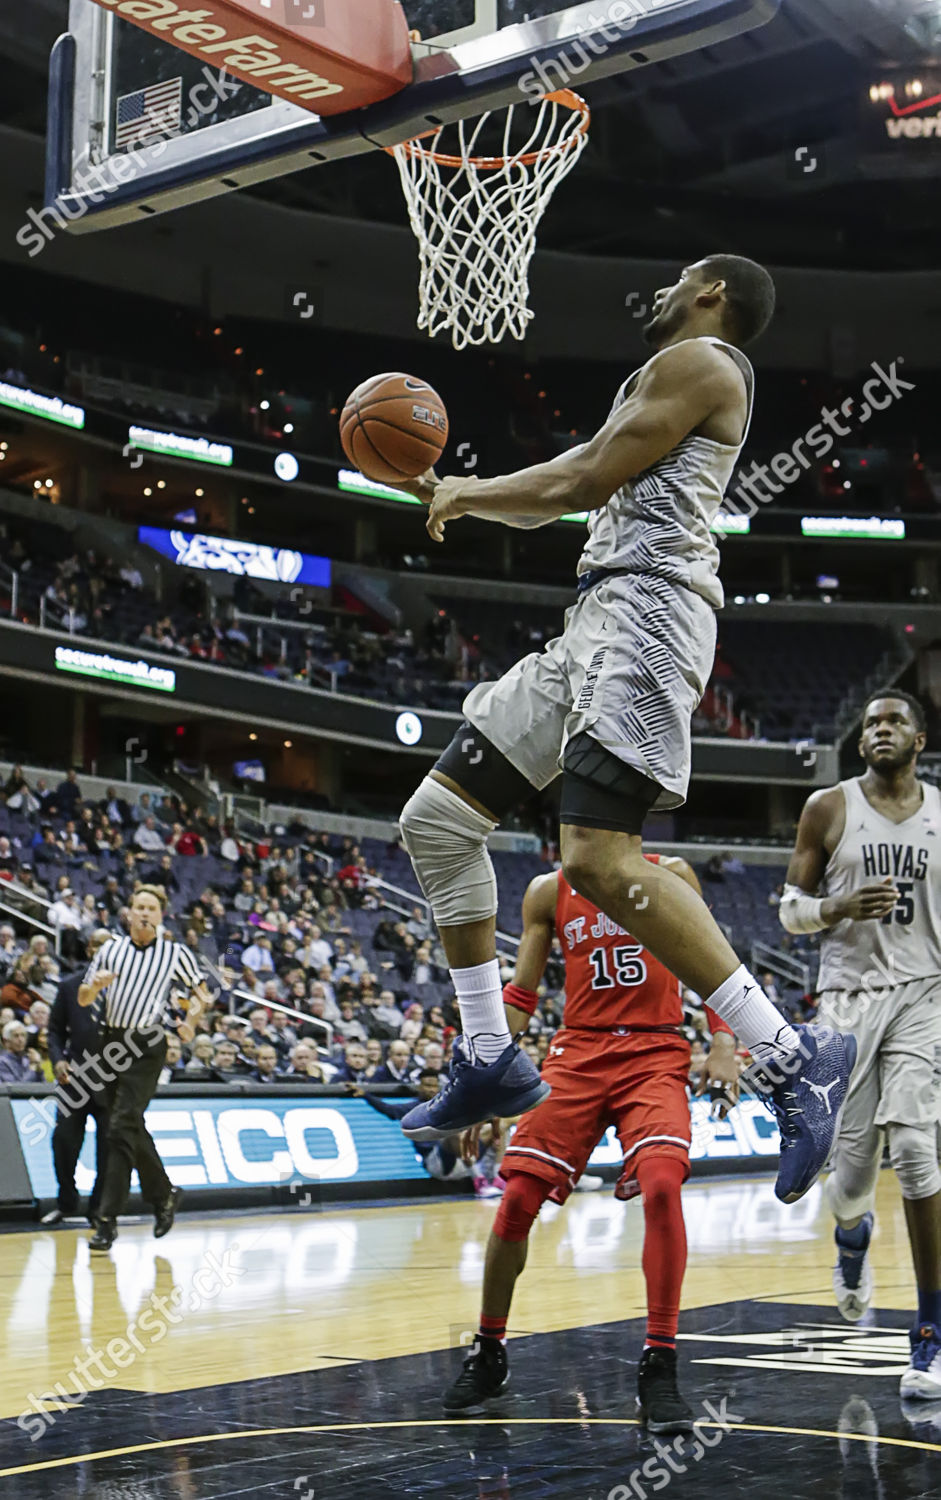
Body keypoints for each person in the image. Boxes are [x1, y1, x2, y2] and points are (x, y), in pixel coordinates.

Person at [392, 254, 854, 1205]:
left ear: (713, 292)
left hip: (649, 617)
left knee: (599, 860)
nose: (658, 290)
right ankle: (488, 1053)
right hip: (593, 620)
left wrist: (465, 491)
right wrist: (479, 497)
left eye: (677, 276)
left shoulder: (708, 362)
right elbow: (581, 487)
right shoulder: (660, 373)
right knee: (436, 822)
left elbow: (584, 474)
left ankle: (787, 1054)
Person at [441, 854, 738, 1426]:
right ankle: (490, 1349)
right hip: (578, 1052)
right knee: (518, 1198)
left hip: (654, 1048)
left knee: (660, 1183)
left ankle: (659, 1360)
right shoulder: (548, 891)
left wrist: (723, 1042)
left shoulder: (671, 872)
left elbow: (713, 966)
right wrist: (483, 1074)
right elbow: (522, 995)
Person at [781, 690, 941, 1399]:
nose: (880, 729)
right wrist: (836, 906)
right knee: (848, 1185)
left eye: (893, 721)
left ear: (918, 739)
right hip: (846, 1002)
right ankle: (852, 1242)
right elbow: (789, 911)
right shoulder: (828, 807)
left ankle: (930, 1333)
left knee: (913, 1147)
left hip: (924, 994)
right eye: (871, 722)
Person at [78, 885, 211, 1252]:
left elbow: (201, 994)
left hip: (146, 1044)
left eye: (151, 908)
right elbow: (84, 997)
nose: (144, 913)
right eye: (139, 907)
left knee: (121, 1125)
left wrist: (190, 1023)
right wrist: (95, 988)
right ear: (129, 912)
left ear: (161, 915)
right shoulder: (110, 949)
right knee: (124, 1126)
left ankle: (106, 1221)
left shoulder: (174, 953)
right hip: (110, 1041)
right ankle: (163, 1193)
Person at [42, 928, 113, 1225]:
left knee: (109, 1151)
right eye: (97, 945)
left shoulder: (128, 991)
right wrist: (58, 1060)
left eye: (109, 946)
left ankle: (98, 1210)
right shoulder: (70, 986)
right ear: (89, 950)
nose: (102, 950)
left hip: (113, 1080)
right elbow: (55, 1030)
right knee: (64, 1142)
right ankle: (67, 1202)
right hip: (75, 1078)